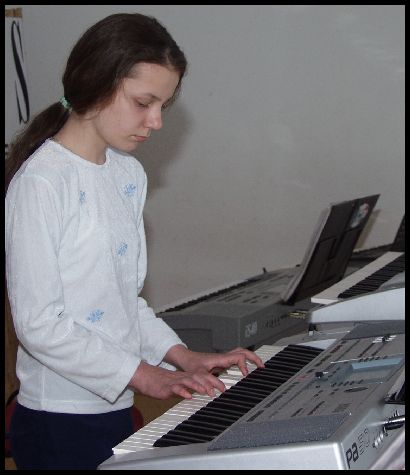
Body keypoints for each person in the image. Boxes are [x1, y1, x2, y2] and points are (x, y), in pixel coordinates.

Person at [5, 13, 264, 470]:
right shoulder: (42, 182)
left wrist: (182, 357)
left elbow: (126, 303)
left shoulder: (128, 174)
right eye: (144, 103)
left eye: (163, 105)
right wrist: (145, 376)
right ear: (97, 83)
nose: (156, 121)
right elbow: (40, 325)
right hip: (57, 419)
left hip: (117, 404)